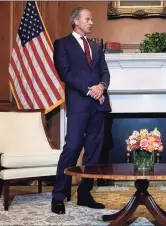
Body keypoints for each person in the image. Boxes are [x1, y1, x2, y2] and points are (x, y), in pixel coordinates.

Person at [51, 7, 111, 214]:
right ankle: (58, 196)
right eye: (88, 19)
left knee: (93, 153)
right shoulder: (62, 44)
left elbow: (105, 71)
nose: (91, 22)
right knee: (73, 147)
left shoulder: (96, 46)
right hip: (78, 104)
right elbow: (65, 73)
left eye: (91, 19)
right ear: (76, 21)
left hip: (99, 104)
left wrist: (102, 86)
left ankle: (85, 194)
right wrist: (89, 91)